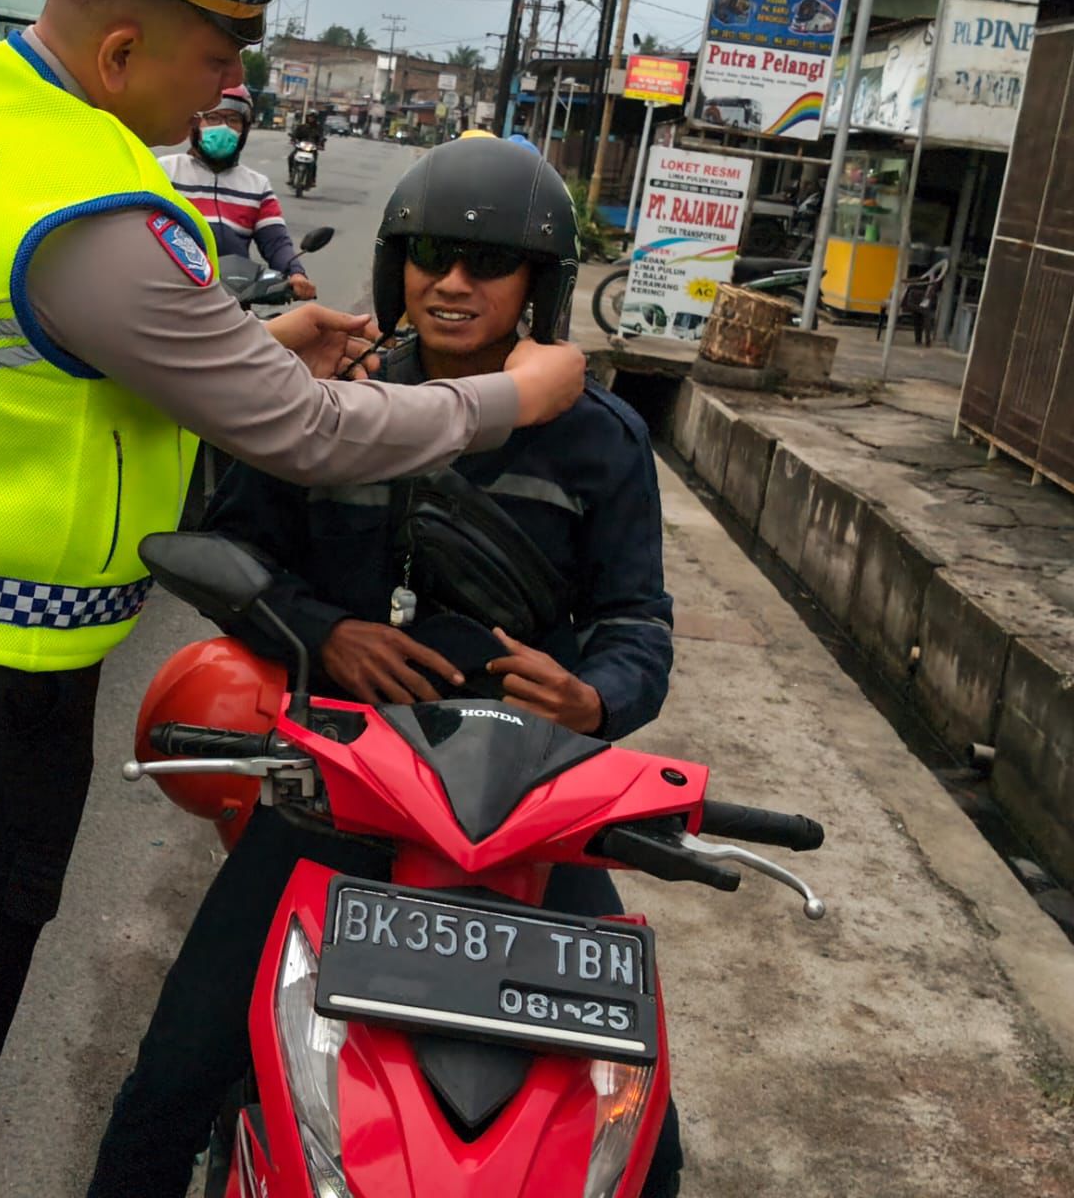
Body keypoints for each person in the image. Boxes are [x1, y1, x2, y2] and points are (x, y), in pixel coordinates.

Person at [0, 0, 586, 1198]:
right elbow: (315, 439)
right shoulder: (88, 206)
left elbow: (47, 348)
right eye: (218, 58)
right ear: (118, 54)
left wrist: (261, 331)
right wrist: (515, 399)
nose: (236, 86)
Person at [89, 137, 681, 1198]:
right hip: (337, 787)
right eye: (430, 256)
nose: (451, 282)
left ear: (536, 287)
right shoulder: (333, 404)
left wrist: (598, 694)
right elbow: (234, 553)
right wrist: (326, 633)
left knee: (636, 1135)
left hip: (525, 805)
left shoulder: (604, 441)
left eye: (486, 263)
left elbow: (637, 620)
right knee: (177, 1069)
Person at [160, 85, 316, 300]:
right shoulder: (165, 172)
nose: (223, 127)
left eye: (233, 120)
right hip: (169, 294)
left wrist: (295, 273)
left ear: (245, 129)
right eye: (213, 118)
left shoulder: (256, 185)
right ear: (196, 123)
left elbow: (275, 241)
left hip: (232, 300)